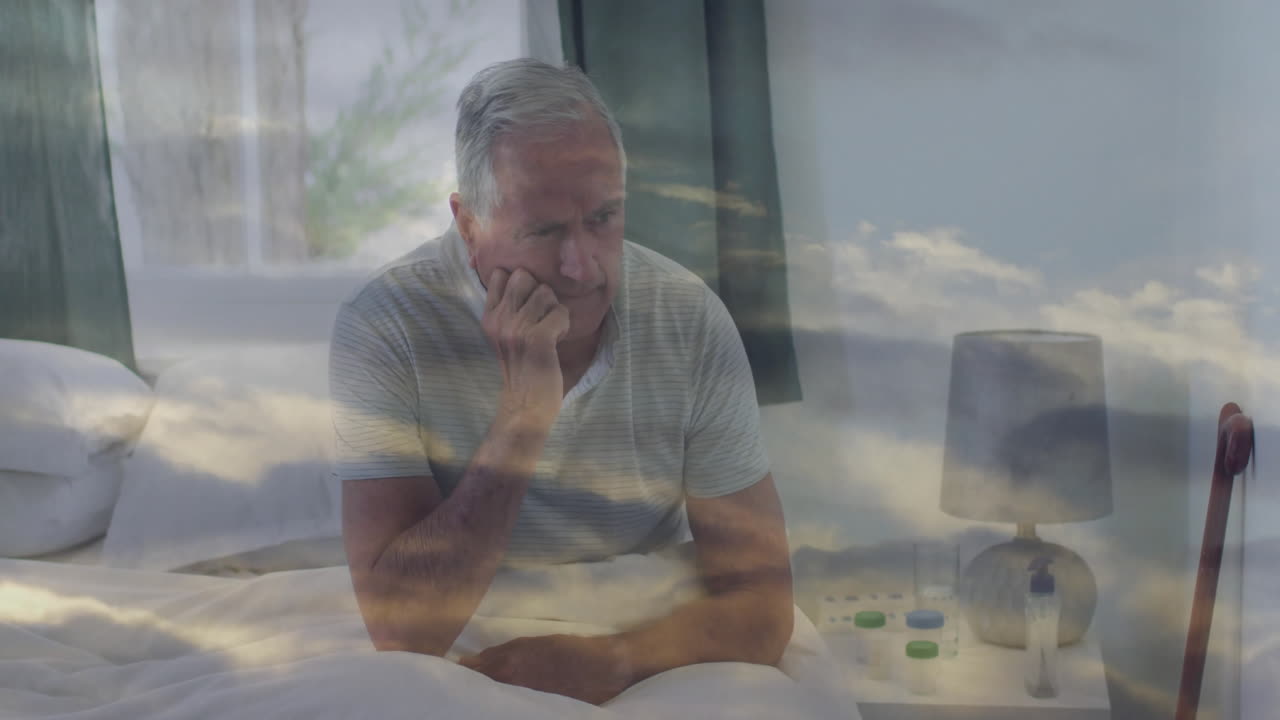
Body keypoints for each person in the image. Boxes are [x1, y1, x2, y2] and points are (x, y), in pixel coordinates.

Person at [329, 58, 793, 706]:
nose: (582, 267)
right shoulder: (385, 326)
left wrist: (614, 658)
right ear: (469, 226)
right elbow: (403, 630)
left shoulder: (688, 317)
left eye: (603, 218)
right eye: (544, 231)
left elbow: (765, 606)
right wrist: (524, 415)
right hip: (463, 647)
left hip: (655, 637)